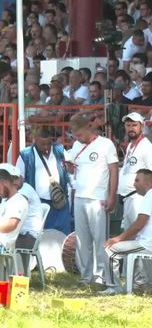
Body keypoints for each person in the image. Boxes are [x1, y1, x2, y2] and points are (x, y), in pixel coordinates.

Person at [66, 115, 118, 286]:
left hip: (98, 198)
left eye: (80, 135)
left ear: (89, 128)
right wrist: (70, 167)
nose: (78, 139)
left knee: (100, 238)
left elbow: (114, 170)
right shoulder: (76, 145)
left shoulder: (105, 144)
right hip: (80, 196)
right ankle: (86, 276)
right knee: (82, 239)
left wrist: (111, 196)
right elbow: (73, 169)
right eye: (75, 136)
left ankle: (101, 275)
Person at [100, 169, 152, 295]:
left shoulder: (150, 194)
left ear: (148, 182)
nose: (134, 184)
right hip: (145, 242)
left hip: (147, 244)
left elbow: (139, 225)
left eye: (137, 180)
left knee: (110, 249)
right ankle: (140, 284)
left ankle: (113, 287)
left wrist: (118, 239)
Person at [16, 126, 72, 234]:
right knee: (42, 236)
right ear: (35, 140)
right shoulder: (25, 155)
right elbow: (19, 179)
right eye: (43, 144)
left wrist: (71, 168)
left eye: (48, 143)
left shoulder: (59, 150)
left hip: (60, 202)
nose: (46, 147)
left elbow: (71, 171)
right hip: (39, 203)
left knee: (63, 235)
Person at [118, 113, 152, 231]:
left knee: (140, 235)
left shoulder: (146, 146)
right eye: (128, 125)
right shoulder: (130, 146)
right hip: (127, 198)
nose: (131, 128)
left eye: (134, 125)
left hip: (138, 198)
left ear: (141, 126)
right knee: (130, 237)